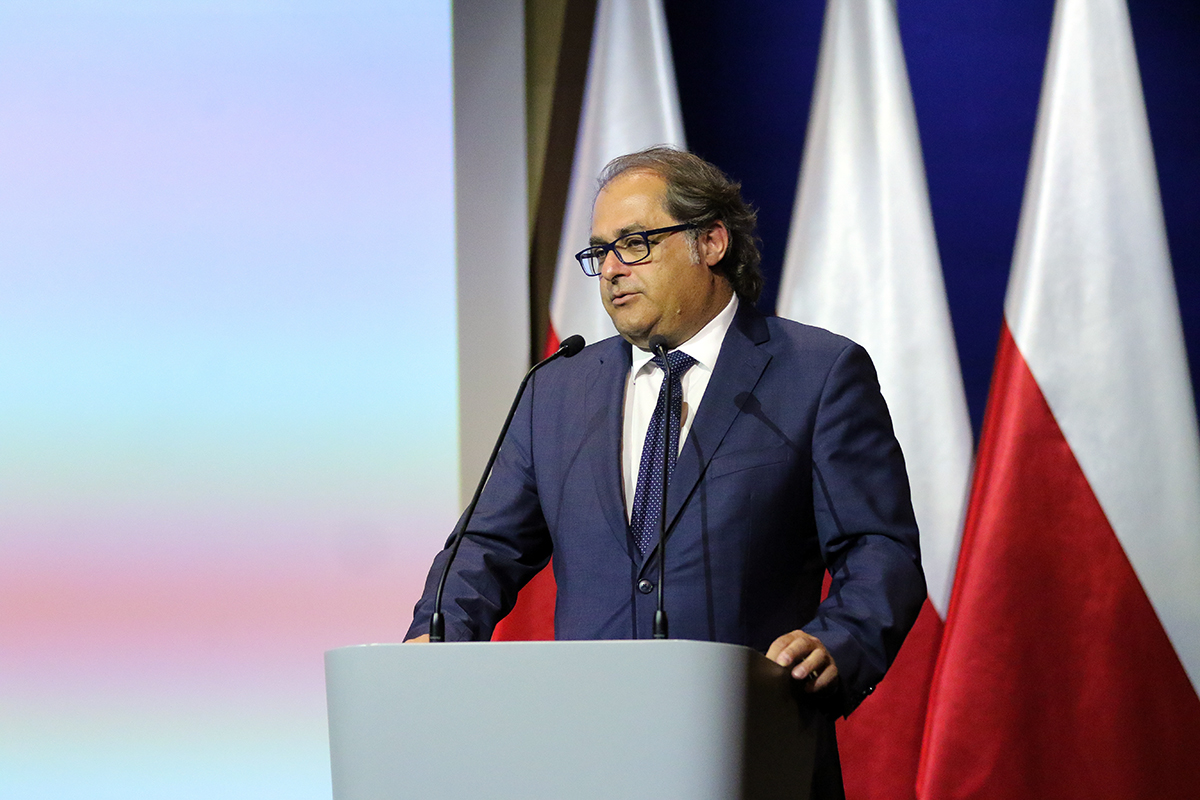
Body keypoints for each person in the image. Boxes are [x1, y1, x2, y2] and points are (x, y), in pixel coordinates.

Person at [406, 146, 925, 798]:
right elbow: (486, 546)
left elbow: (879, 547)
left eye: (635, 243)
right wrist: (436, 637)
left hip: (749, 749)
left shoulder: (816, 374)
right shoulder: (557, 390)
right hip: (585, 759)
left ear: (710, 242)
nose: (611, 270)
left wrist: (841, 640)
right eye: (600, 252)